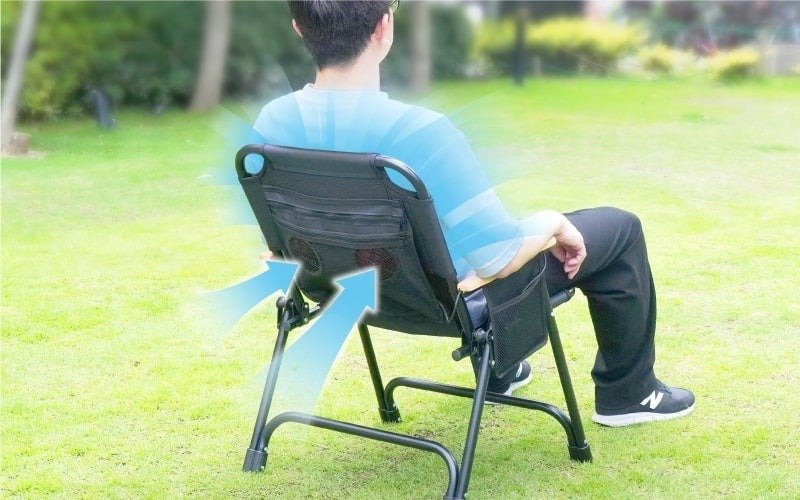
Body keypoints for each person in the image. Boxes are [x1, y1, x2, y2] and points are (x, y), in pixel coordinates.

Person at [252, 0, 694, 427]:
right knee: (619, 229)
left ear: (299, 28)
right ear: (384, 27)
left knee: (487, 233)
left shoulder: (271, 124)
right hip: (449, 303)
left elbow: (279, 243)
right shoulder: (422, 133)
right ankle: (629, 395)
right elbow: (498, 259)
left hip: (341, 290)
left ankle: (501, 371)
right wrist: (554, 224)